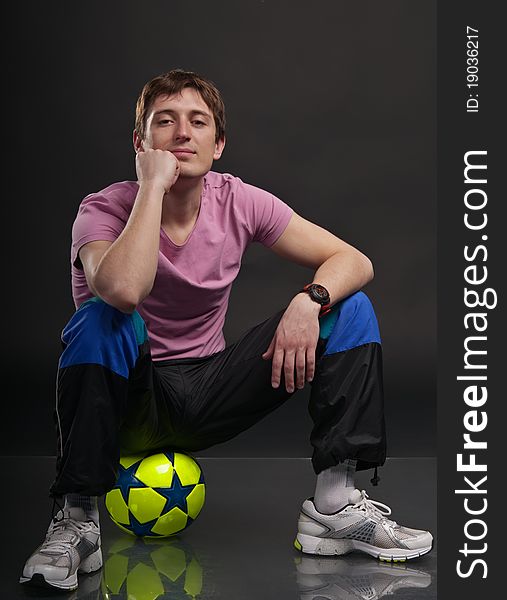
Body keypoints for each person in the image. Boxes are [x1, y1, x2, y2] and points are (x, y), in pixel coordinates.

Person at [20, 69, 432, 592]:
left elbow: (353, 259)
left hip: (210, 389)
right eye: (163, 122)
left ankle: (334, 507)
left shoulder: (238, 200)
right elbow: (123, 290)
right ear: (140, 142)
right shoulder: (102, 208)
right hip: (129, 399)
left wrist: (310, 301)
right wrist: (151, 187)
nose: (181, 133)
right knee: (102, 317)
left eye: (197, 122)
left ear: (218, 145)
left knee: (349, 307)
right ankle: (77, 520)